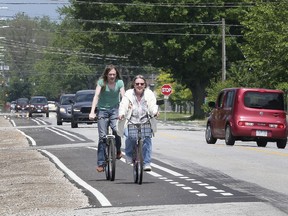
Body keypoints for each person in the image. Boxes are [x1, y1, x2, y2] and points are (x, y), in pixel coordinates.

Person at [117, 75, 159, 171]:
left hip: (145, 121)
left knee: (147, 139)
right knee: (130, 137)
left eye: (141, 84)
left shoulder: (149, 94)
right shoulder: (128, 93)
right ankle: (128, 154)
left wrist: (155, 112)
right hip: (131, 121)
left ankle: (147, 163)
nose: (139, 85)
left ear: (145, 85)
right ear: (133, 85)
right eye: (137, 84)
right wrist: (122, 114)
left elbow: (153, 105)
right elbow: (123, 105)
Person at [89, 64, 125, 172]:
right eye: (110, 74)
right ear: (106, 74)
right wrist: (92, 112)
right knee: (102, 137)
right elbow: (96, 96)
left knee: (116, 130)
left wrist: (125, 109)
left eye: (114, 74)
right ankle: (101, 163)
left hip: (115, 110)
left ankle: (118, 150)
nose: (112, 76)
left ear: (116, 74)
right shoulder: (101, 82)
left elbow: (124, 96)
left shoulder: (120, 83)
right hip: (102, 111)